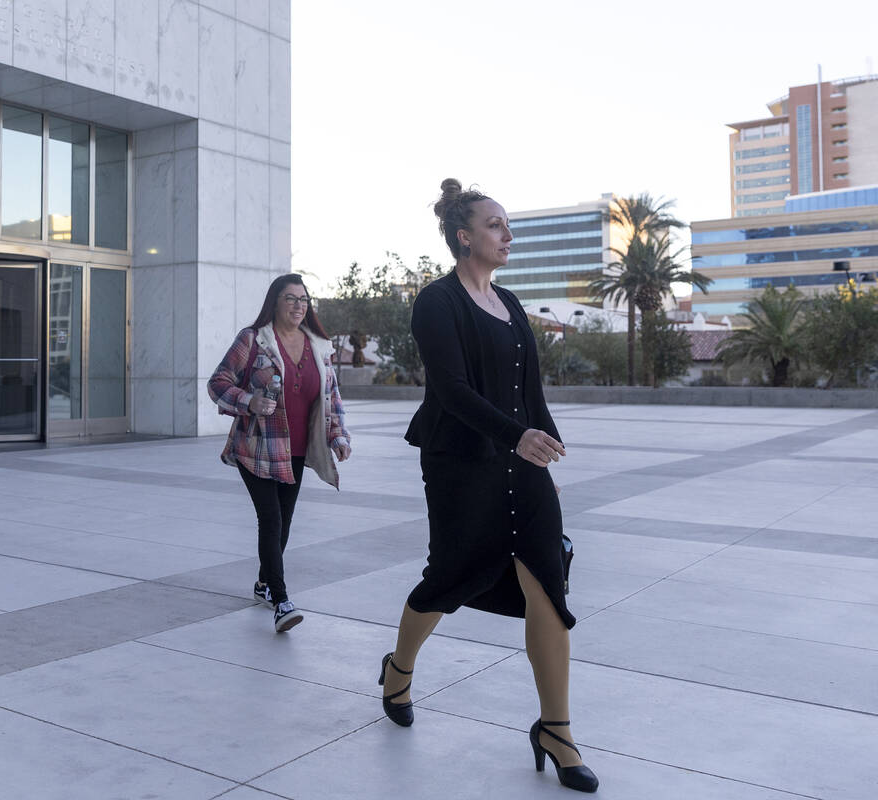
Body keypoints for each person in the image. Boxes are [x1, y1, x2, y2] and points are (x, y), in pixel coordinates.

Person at [379, 179, 598, 793]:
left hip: (522, 466)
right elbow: (450, 389)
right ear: (463, 236)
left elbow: (532, 394)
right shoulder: (436, 302)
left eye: (507, 224)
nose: (508, 234)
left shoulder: (513, 303)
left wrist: (545, 452)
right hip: (461, 461)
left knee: (546, 582)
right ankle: (399, 669)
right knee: (450, 575)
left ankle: (556, 729)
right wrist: (515, 436)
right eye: (496, 225)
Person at [208, 274, 352, 633]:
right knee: (271, 520)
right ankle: (282, 600)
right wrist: (249, 401)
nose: (298, 306)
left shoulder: (319, 345)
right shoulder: (254, 340)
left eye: (303, 300)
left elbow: (330, 397)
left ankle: (263, 583)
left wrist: (338, 436)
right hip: (257, 447)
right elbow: (218, 381)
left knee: (283, 523)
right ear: (275, 302)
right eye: (290, 299)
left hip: (299, 449)